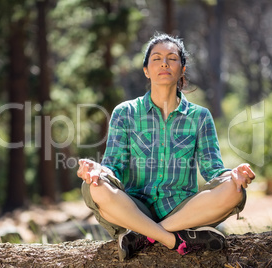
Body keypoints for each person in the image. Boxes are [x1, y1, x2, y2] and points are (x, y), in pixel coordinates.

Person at [77, 33, 256, 261]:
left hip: (182, 209)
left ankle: (143, 235)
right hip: (134, 208)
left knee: (234, 190)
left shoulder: (200, 116)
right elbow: (114, 167)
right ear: (146, 70)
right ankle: (175, 239)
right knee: (95, 188)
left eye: (172, 58)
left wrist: (233, 175)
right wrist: (98, 171)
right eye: (156, 58)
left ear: (182, 69)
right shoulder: (125, 112)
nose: (164, 63)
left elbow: (213, 170)